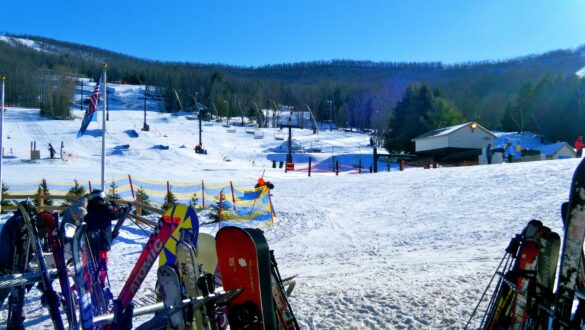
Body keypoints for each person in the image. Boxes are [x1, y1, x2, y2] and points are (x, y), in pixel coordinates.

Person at [84, 190, 126, 287]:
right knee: (102, 263)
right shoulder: (104, 207)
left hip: (90, 240)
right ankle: (101, 282)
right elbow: (115, 214)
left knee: (90, 262)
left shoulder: (90, 208)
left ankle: (89, 281)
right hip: (102, 240)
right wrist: (120, 209)